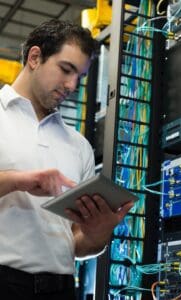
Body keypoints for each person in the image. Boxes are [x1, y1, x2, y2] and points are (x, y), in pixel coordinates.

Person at [0, 19, 133, 300]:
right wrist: (17, 181)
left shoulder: (79, 146)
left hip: (60, 287)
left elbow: (77, 243)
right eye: (66, 69)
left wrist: (98, 232)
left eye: (80, 77)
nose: (72, 85)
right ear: (35, 57)